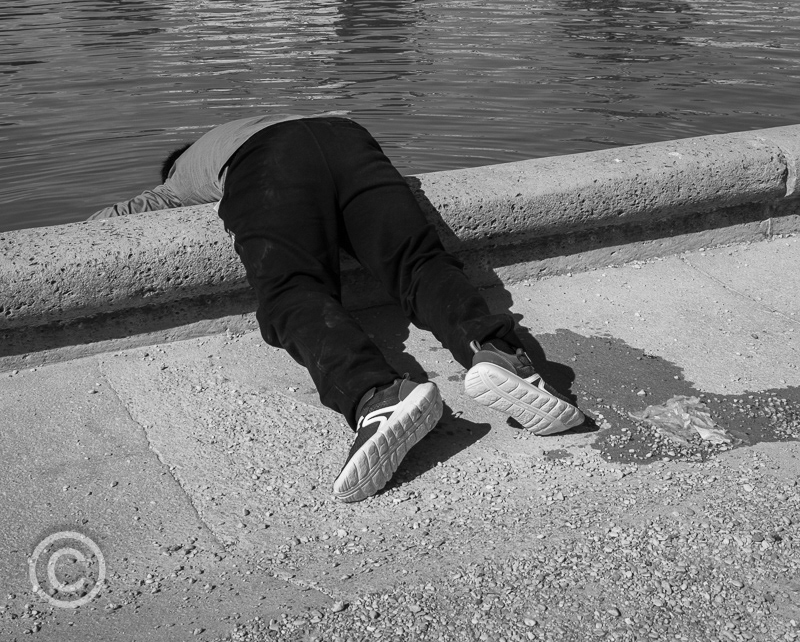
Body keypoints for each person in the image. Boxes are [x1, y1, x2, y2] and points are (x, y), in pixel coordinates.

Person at [89, 114, 584, 502]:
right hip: (347, 137)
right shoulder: (251, 123)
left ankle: (376, 394)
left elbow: (125, 217)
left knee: (292, 289)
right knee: (418, 263)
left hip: (265, 163)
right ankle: (496, 350)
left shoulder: (183, 171)